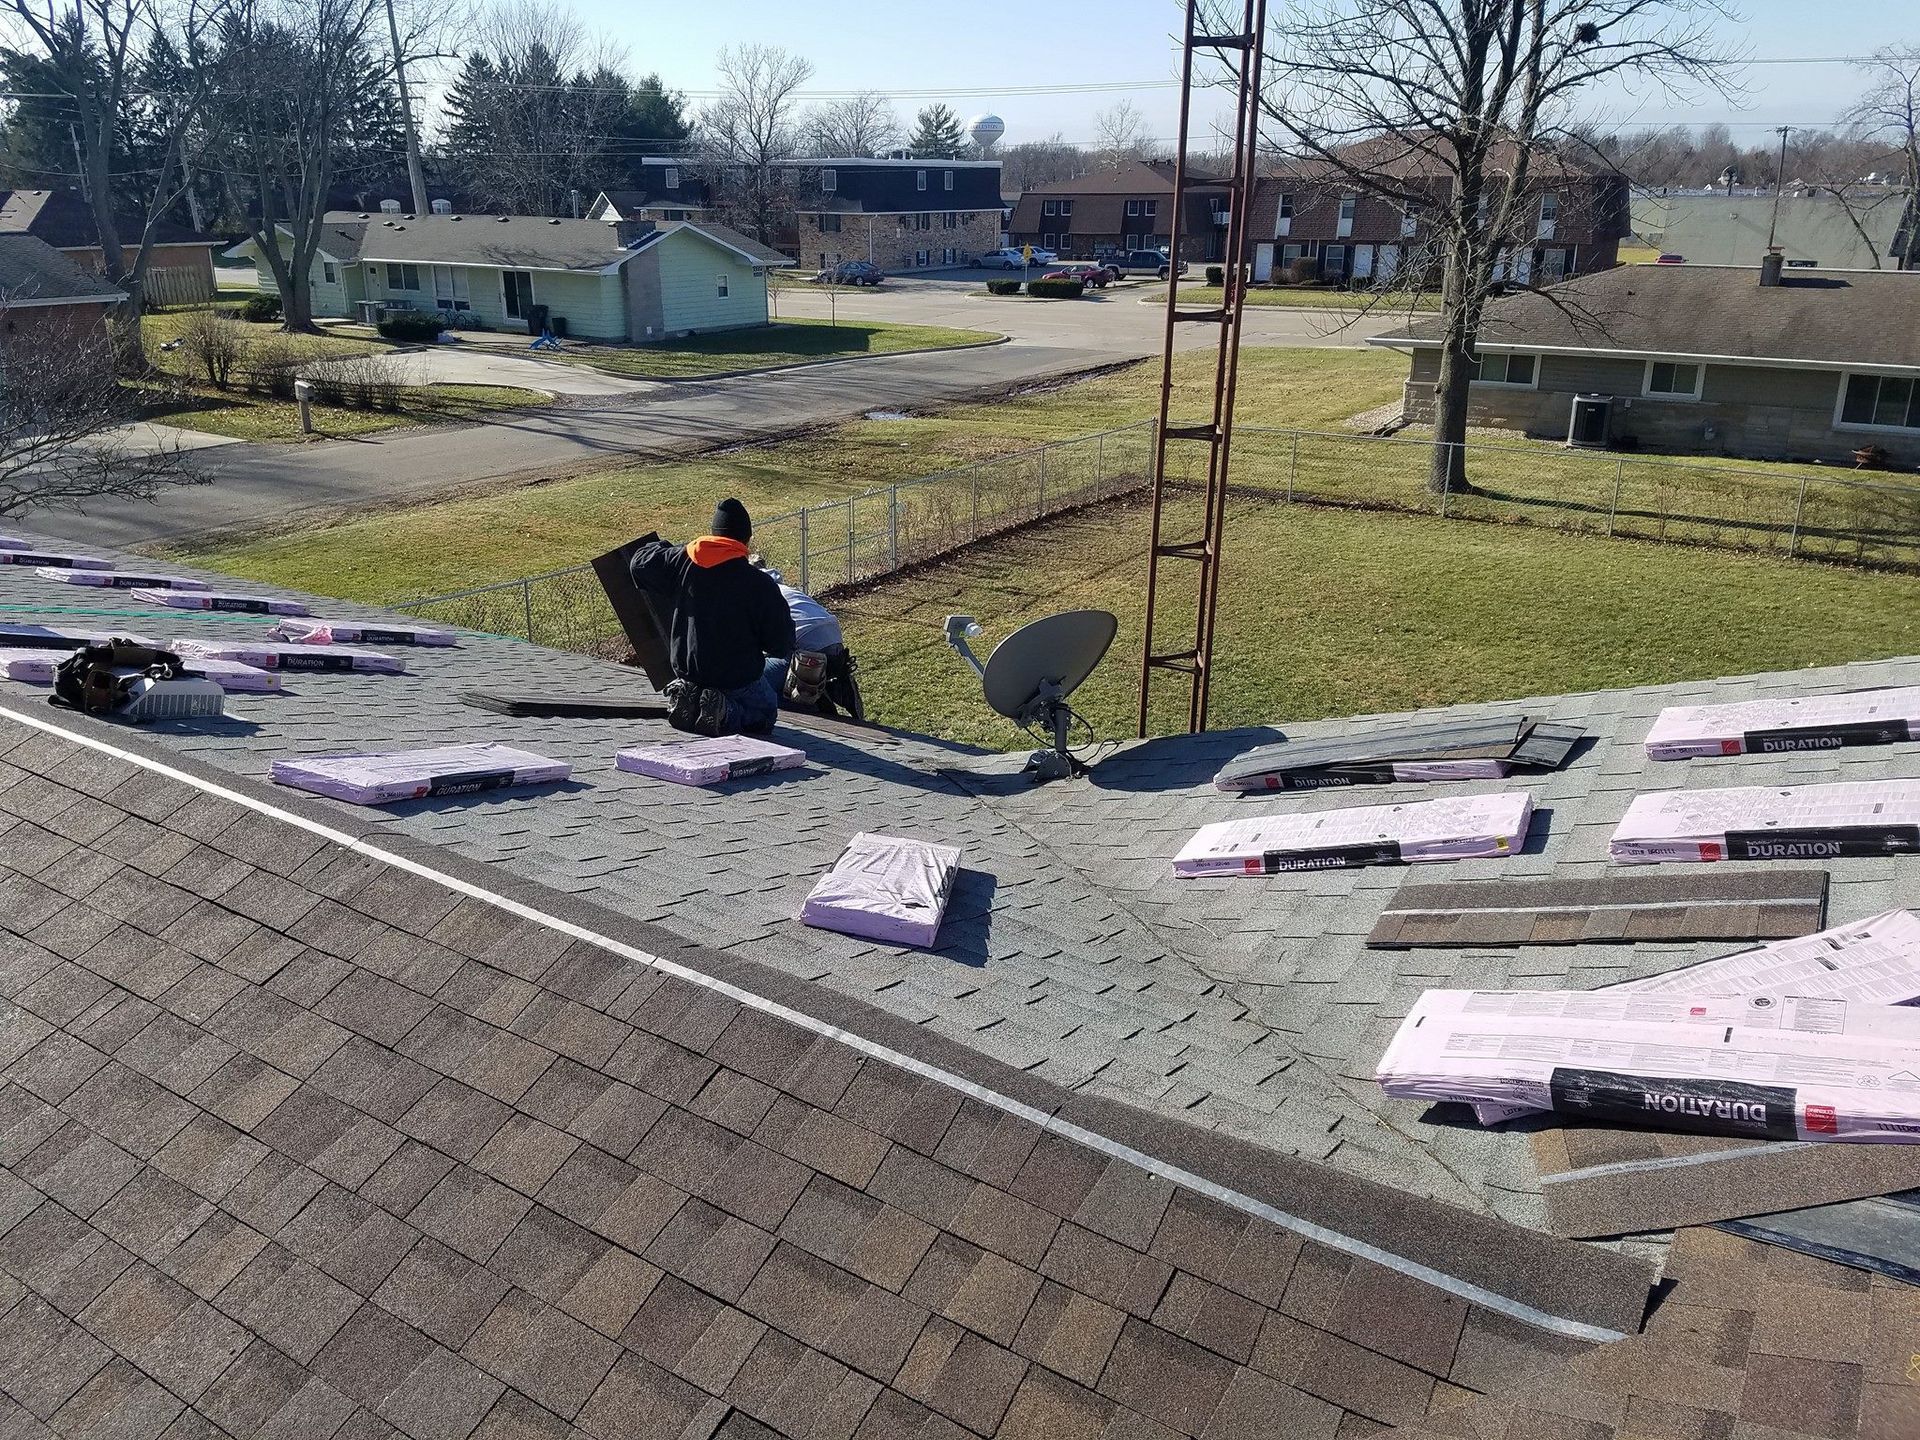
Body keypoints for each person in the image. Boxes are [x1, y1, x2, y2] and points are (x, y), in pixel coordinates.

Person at [628, 499, 794, 736]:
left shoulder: (681, 562)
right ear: (746, 540)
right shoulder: (759, 584)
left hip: (689, 673)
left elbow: (639, 562)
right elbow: (780, 644)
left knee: (706, 688)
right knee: (766, 711)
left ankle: (689, 698)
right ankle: (724, 711)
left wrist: (677, 548)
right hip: (736, 682)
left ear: (713, 535)